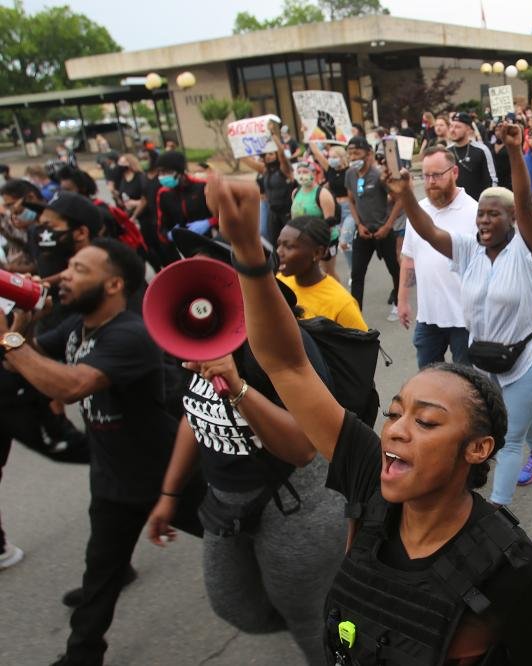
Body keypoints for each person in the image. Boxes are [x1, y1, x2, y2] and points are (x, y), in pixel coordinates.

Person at [204, 171, 532, 666]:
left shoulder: (509, 565)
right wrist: (249, 253)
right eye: (396, 412)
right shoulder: (369, 478)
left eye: (427, 422)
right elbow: (288, 364)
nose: (397, 429)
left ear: (478, 448)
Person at [146, 235, 348, 666]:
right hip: (226, 503)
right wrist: (168, 493)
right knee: (234, 603)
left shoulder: (282, 344)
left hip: (297, 502)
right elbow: (193, 413)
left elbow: (301, 450)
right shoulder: (197, 340)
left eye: (212, 274)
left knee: (312, 620)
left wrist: (237, 386)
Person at [2, 238, 176, 666]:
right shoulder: (79, 326)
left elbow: (72, 385)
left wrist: (7, 339)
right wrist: (24, 319)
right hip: (115, 473)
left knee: (240, 543)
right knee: (99, 566)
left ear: (114, 284)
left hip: (170, 476)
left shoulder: (130, 333)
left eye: (79, 269)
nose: (63, 275)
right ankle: (83, 654)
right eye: (68, 267)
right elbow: (26, 361)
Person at [387, 121, 532, 504]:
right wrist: (407, 197)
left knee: (508, 437)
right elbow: (430, 232)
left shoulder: (529, 250)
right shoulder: (469, 250)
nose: (483, 220)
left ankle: (496, 513)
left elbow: (526, 201)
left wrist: (514, 151)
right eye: (481, 214)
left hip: (529, 354)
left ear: (512, 220)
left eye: (494, 214)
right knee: (517, 408)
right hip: (486, 356)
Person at [396, 146, 477, 368]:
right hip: (429, 317)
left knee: (466, 385)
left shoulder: (475, 212)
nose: (431, 181)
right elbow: (409, 258)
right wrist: (402, 300)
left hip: (465, 320)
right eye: (426, 175)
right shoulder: (418, 211)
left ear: (455, 172)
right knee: (428, 381)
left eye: (437, 175)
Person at [344, 135, 402, 317]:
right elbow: (351, 200)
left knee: (395, 269)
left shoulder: (378, 176)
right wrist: (358, 224)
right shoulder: (350, 174)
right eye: (350, 153)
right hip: (363, 233)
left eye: (357, 153)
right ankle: (355, 315)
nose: (353, 157)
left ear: (368, 154)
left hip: (383, 232)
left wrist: (387, 226)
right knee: (357, 273)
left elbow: (399, 200)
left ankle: (399, 303)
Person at [275, 216, 367, 330]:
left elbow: (361, 345)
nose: (278, 252)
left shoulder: (342, 304)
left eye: (288, 247)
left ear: (318, 252)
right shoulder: (279, 283)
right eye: (279, 244)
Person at [242, 125, 294, 250]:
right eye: (267, 154)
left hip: (287, 211)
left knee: (290, 241)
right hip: (273, 211)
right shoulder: (264, 170)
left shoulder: (285, 169)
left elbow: (281, 153)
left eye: (272, 153)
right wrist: (237, 140)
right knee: (273, 241)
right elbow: (244, 159)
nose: (269, 156)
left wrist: (273, 135)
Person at [113, 153, 166, 270]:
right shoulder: (122, 179)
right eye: (119, 163)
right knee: (145, 250)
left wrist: (134, 205)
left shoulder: (140, 177)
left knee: (157, 248)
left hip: (147, 218)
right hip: (134, 219)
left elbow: (146, 199)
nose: (120, 165)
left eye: (123, 162)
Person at [309, 143, 356, 272]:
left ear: (342, 157)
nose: (331, 159)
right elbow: (317, 153)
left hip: (350, 209)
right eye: (330, 157)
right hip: (337, 210)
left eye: (334, 156)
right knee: (345, 245)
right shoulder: (330, 170)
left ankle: (356, 267)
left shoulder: (350, 171)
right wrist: (307, 134)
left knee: (344, 241)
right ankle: (354, 270)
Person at [290, 161, 340, 279]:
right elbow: (294, 219)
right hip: (306, 240)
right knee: (314, 274)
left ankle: (340, 296)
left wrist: (325, 244)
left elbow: (330, 222)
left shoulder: (322, 194)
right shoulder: (295, 192)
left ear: (314, 173)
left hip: (324, 240)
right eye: (299, 172)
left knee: (327, 272)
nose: (302, 175)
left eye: (305, 172)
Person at [154, 150, 213, 248]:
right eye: (160, 173)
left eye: (167, 172)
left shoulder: (202, 186)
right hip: (185, 247)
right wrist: (169, 236)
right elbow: (161, 228)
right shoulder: (163, 194)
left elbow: (225, 214)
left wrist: (208, 223)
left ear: (180, 172)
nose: (163, 177)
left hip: (211, 241)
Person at [448, 112, 497, 201]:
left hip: (478, 205)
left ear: (468, 129)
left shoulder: (481, 150)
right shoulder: (446, 152)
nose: (452, 130)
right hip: (454, 206)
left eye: (457, 127)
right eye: (451, 126)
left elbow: (492, 179)